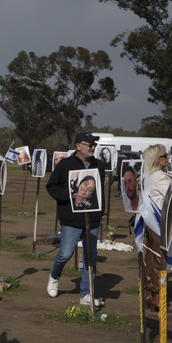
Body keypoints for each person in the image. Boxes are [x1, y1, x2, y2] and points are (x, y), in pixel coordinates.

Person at [46, 132, 107, 307]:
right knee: (65, 253)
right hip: (71, 219)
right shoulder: (65, 164)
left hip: (92, 220)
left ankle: (86, 294)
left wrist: (100, 212)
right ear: (78, 146)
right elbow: (51, 186)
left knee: (90, 258)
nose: (93, 148)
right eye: (90, 145)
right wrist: (70, 196)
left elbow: (100, 191)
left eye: (94, 145)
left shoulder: (98, 165)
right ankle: (54, 276)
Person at [138, 144, 172, 312]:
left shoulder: (147, 176)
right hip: (160, 221)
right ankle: (159, 297)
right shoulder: (160, 177)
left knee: (151, 256)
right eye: (164, 156)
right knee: (160, 258)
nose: (168, 158)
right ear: (155, 159)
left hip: (149, 220)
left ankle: (150, 294)